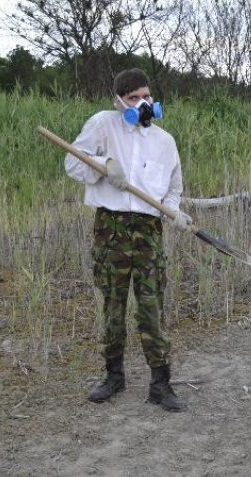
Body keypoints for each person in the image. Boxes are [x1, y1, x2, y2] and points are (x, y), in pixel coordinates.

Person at [65, 68, 191, 412]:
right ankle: (113, 376)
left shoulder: (164, 141)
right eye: (133, 97)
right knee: (113, 305)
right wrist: (104, 165)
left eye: (146, 96)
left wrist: (173, 212)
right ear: (119, 101)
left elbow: (173, 187)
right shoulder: (103, 124)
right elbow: (72, 164)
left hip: (149, 231)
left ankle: (160, 384)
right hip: (112, 228)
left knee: (151, 306)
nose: (142, 103)